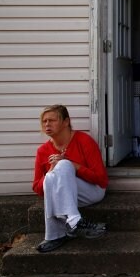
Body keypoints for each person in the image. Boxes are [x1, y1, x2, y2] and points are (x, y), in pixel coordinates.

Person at [32, 104, 108, 253]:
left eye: (52, 120)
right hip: (64, 195)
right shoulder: (42, 151)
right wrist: (52, 170)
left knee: (64, 165)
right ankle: (74, 221)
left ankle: (54, 235)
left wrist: (74, 166)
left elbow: (101, 180)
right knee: (51, 175)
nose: (47, 124)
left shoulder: (84, 141)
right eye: (44, 121)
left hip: (91, 191)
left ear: (66, 122)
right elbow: (38, 188)